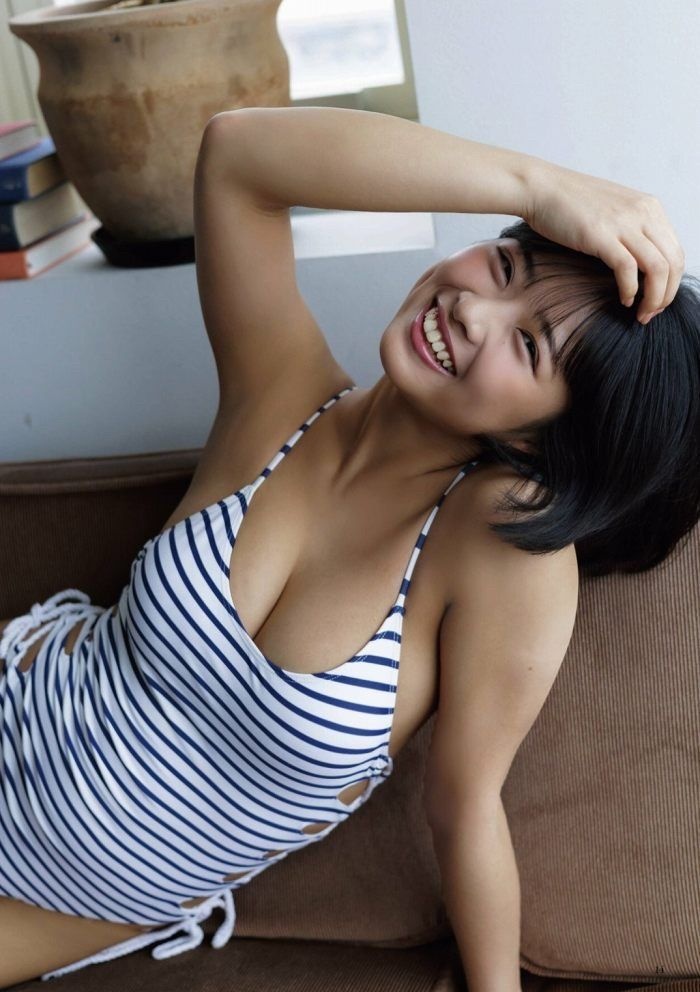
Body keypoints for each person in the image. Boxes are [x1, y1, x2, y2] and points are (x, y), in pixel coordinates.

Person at [0, 106, 695, 990]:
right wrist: (542, 187)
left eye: (529, 345)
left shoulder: (497, 547)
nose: (472, 308)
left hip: (73, 898)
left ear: (543, 439)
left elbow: (467, 809)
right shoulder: (281, 393)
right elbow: (239, 154)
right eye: (504, 265)